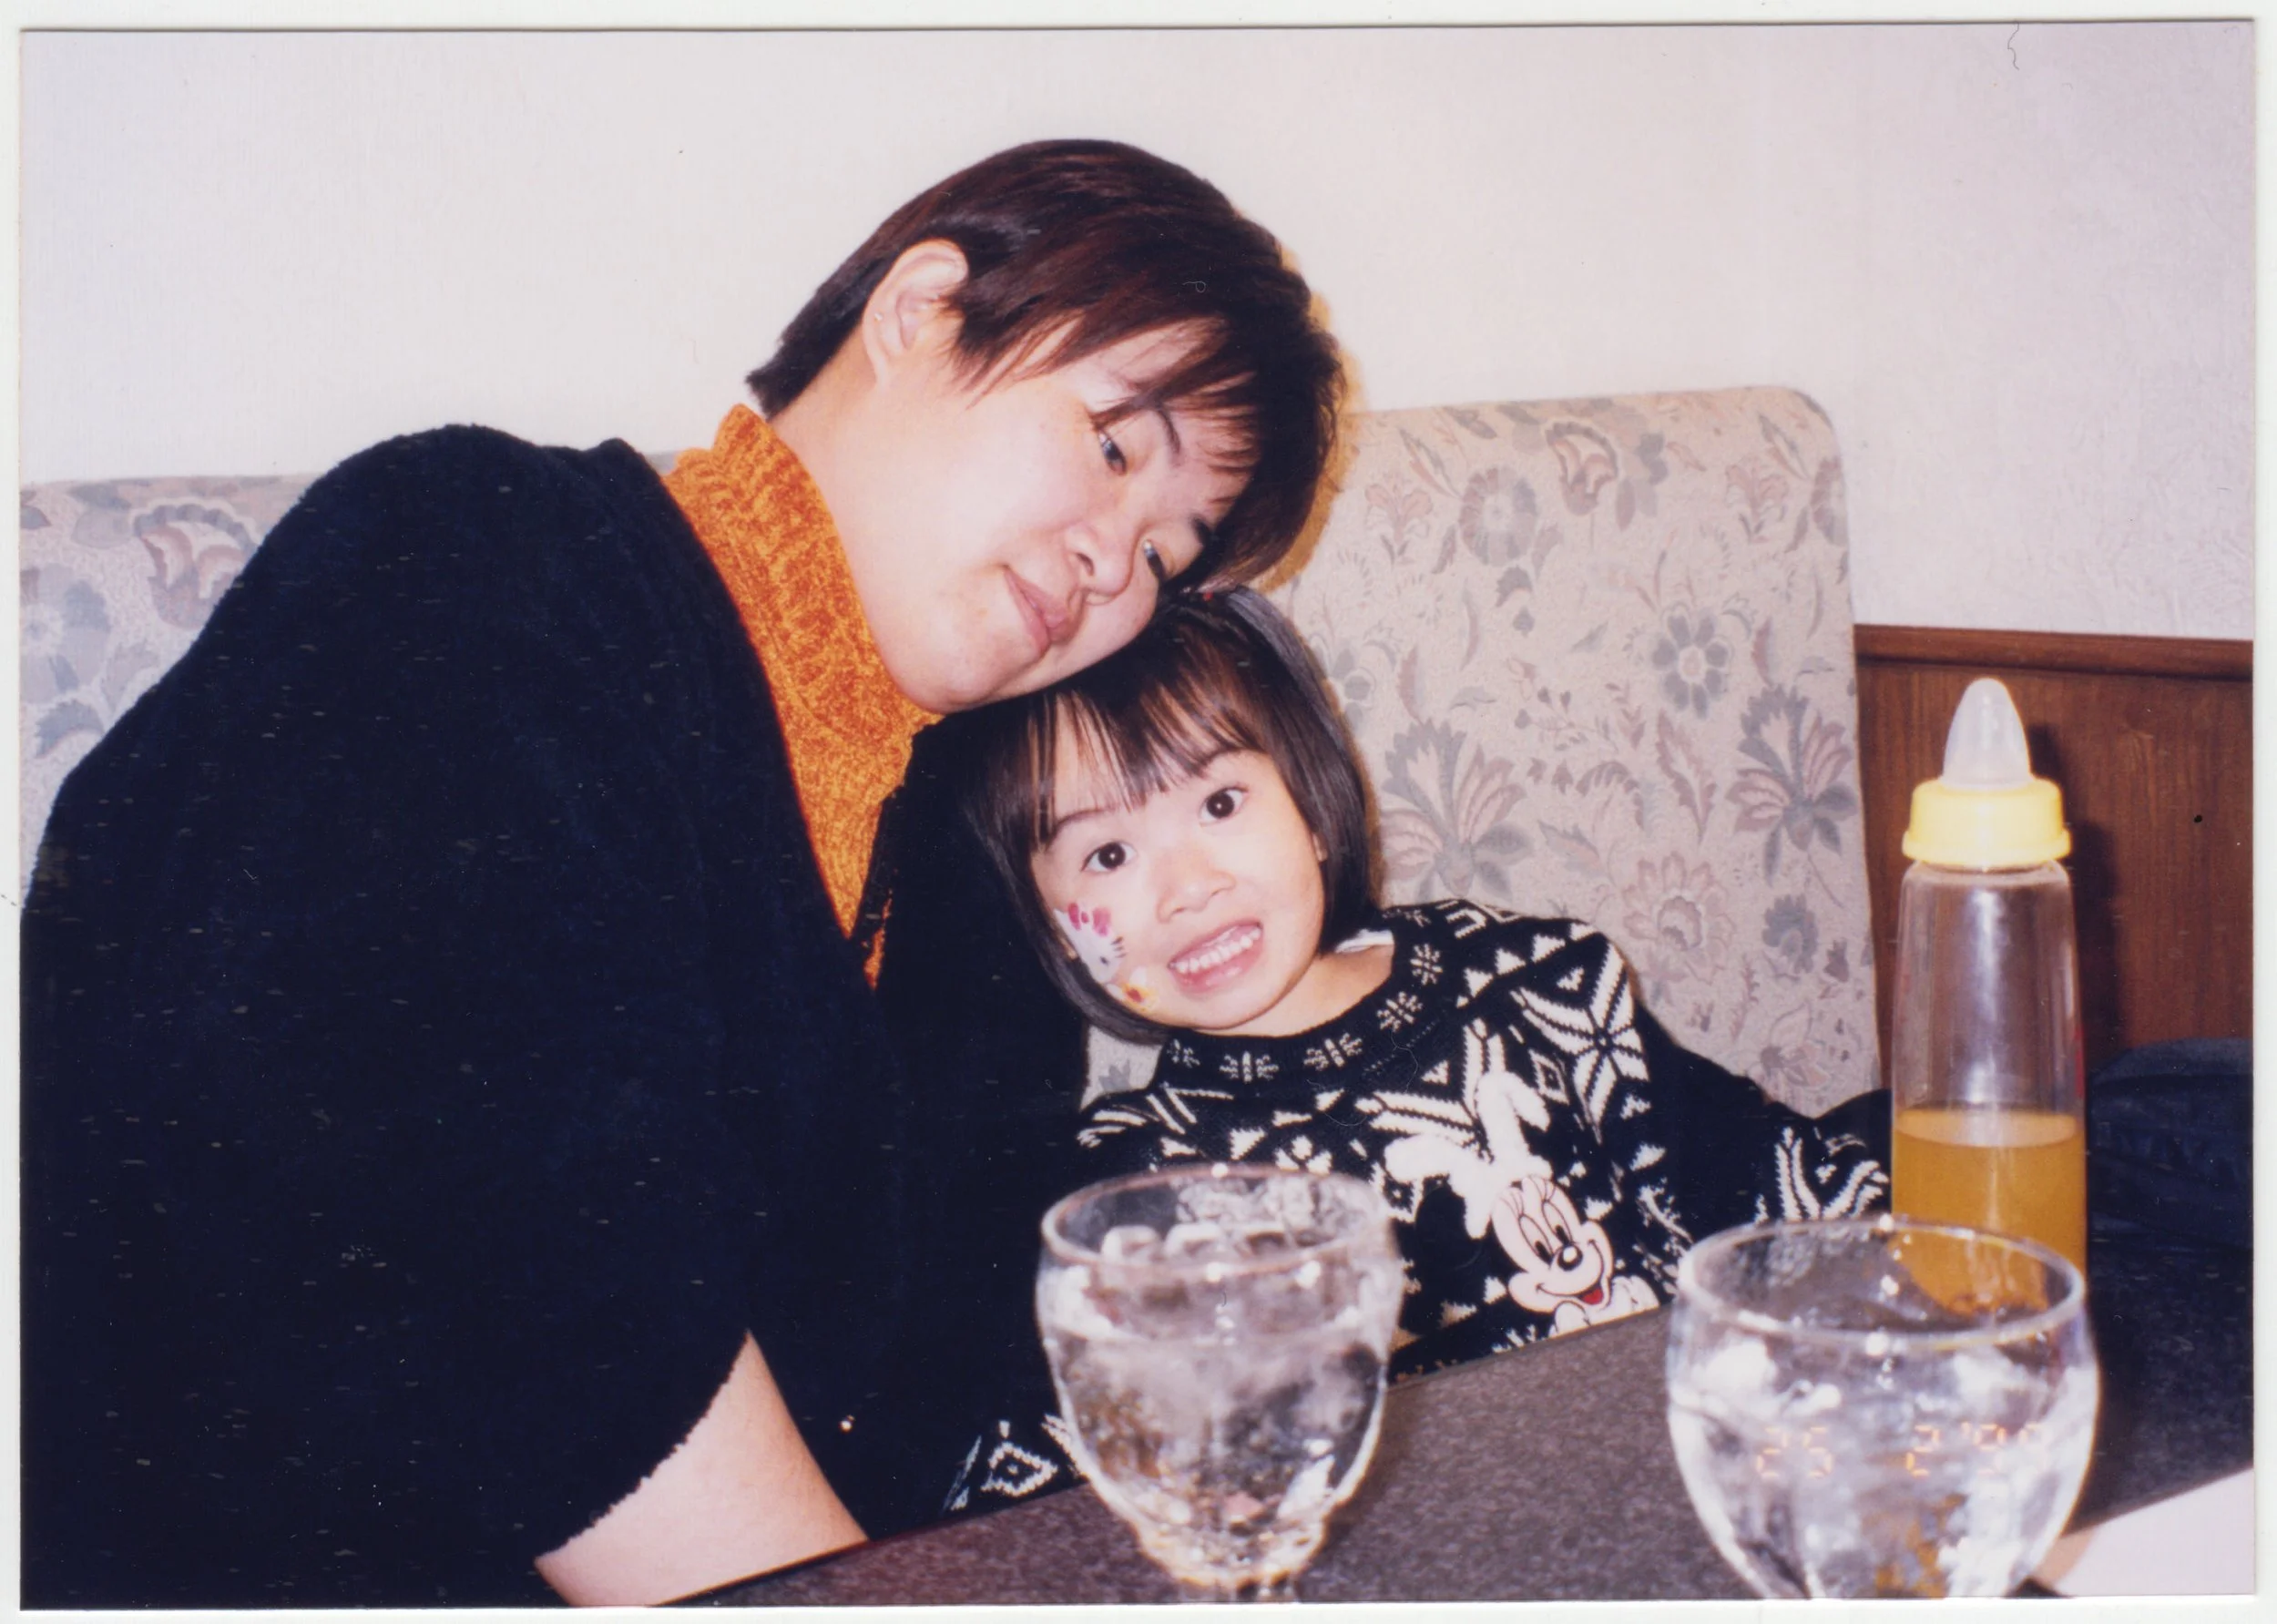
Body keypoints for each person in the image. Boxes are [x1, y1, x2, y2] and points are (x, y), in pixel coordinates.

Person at [20, 140, 1342, 1608]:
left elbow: (957, 1377)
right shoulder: (472, 567)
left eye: (1168, 551)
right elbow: (541, 1321)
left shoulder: (958, 854)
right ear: (918, 311)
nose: (1114, 567)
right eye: (1112, 446)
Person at [958, 587, 1890, 1393]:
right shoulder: (1135, 1190)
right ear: (1055, 929)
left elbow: (1769, 1186)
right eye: (1108, 854)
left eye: (1219, 804)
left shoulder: (1533, 979)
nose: (1187, 886)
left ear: (1310, 802)